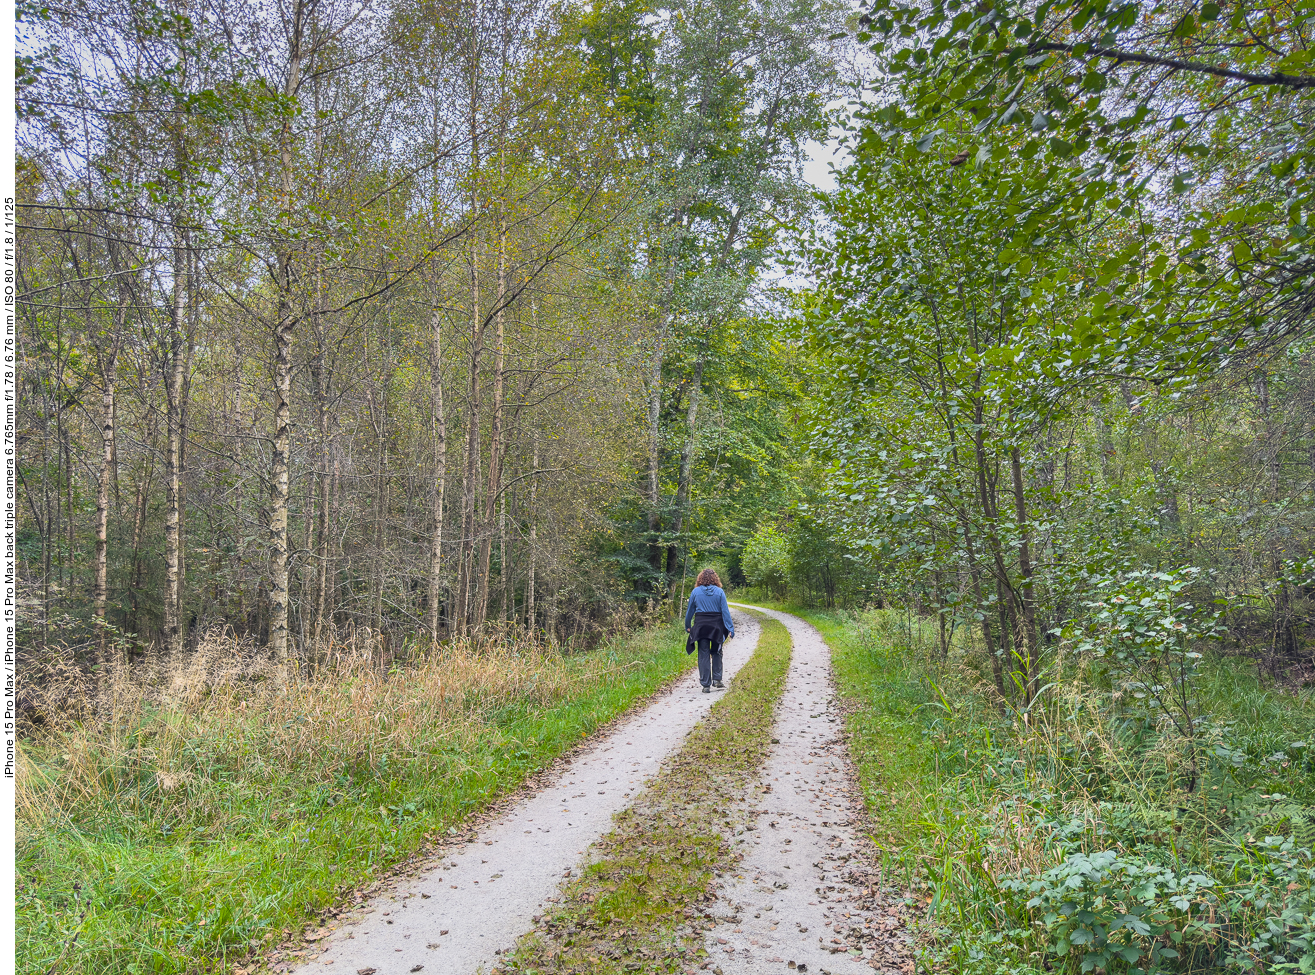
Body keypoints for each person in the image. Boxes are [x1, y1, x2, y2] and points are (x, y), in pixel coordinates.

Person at [684, 568, 734, 693]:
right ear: (715, 579)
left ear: (700, 578)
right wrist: (730, 628)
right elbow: (725, 612)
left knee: (703, 653)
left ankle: (706, 685)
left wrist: (688, 625)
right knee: (717, 651)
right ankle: (717, 680)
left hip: (701, 626)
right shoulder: (720, 592)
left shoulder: (695, 592)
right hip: (716, 626)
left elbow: (690, 611)